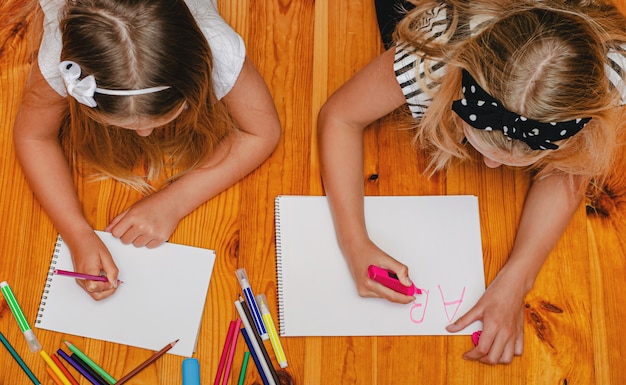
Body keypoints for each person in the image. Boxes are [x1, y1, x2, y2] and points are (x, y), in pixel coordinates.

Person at [318, 0, 626, 365]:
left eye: (528, 157)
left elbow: (571, 169)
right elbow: (340, 117)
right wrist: (354, 243)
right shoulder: (434, 54)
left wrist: (516, 281)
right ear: (460, 86)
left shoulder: (612, 79)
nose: (491, 165)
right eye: (482, 143)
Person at [13, 0, 281, 300]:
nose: (144, 134)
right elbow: (33, 137)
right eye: (127, 126)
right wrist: (77, 234)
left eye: (161, 119)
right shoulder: (59, 53)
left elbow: (263, 131)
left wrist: (176, 200)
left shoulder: (216, 43)